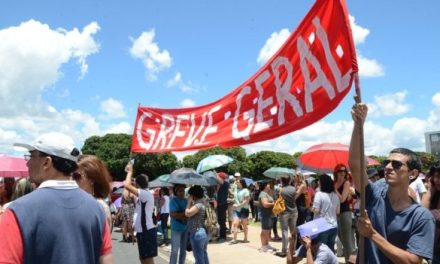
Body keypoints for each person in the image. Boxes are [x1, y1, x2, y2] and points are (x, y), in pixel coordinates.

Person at [0, 132, 112, 264]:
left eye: (31, 156)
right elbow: (106, 259)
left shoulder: (17, 210)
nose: (27, 163)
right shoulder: (96, 209)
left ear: (47, 162)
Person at [349, 103, 435, 263]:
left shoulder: (421, 217)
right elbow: (355, 165)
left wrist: (372, 234)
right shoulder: (374, 197)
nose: (388, 167)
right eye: (386, 162)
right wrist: (358, 124)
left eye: (396, 164)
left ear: (413, 174)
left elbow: (412, 261)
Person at [124, 162, 157, 264]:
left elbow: (126, 185)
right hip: (142, 231)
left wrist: (130, 172)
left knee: (147, 260)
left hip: (146, 231)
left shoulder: (145, 194)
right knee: (143, 259)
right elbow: (126, 195)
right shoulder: (143, 194)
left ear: (137, 184)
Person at [74, 155, 113, 229]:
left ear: (92, 179)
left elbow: (103, 239)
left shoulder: (101, 207)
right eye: (70, 175)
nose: (72, 180)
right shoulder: (71, 203)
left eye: (76, 176)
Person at [333, 164, 356, 262]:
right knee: (341, 238)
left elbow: (342, 199)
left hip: (345, 213)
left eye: (344, 171)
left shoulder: (346, 183)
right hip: (336, 214)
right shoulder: (334, 183)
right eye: (340, 171)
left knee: (347, 241)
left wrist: (334, 190)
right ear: (336, 172)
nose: (343, 173)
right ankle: (349, 260)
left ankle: (350, 261)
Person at [312, 174, 339, 252]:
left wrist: (312, 208)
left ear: (322, 183)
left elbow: (316, 210)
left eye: (319, 181)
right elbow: (338, 211)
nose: (318, 183)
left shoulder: (319, 194)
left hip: (322, 226)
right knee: (330, 250)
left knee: (321, 250)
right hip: (333, 225)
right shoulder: (336, 195)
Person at [185, 185, 209, 264]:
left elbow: (187, 213)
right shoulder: (205, 202)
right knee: (203, 254)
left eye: (190, 195)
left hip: (197, 232)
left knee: (199, 258)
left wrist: (188, 202)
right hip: (204, 232)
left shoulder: (198, 205)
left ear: (193, 195)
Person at [421, 161, 440, 263]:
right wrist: (429, 191)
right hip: (433, 252)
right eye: (436, 176)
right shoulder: (435, 194)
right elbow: (421, 216)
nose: (438, 180)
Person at [275, 175, 298, 258]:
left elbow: (277, 199)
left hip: (284, 212)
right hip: (294, 211)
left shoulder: (281, 190)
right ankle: (294, 250)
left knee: (284, 231)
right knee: (293, 231)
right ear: (289, 181)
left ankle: (284, 250)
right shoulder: (294, 189)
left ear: (282, 181)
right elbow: (295, 198)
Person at [169, 184, 188, 264]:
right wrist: (184, 214)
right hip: (176, 229)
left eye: (183, 190)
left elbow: (189, 213)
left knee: (183, 251)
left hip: (185, 228)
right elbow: (173, 214)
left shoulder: (186, 200)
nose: (182, 192)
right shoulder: (173, 200)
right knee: (175, 250)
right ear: (176, 192)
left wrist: (183, 214)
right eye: (180, 191)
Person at [258, 180, 277, 253]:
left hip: (269, 215)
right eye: (268, 184)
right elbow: (265, 204)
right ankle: (263, 246)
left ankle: (266, 244)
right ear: (265, 185)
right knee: (264, 231)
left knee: (267, 230)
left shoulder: (266, 193)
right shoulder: (263, 194)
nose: (270, 185)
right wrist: (274, 203)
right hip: (265, 215)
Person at [230, 179, 250, 244]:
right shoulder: (236, 190)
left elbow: (246, 201)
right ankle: (234, 239)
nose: (236, 183)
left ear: (241, 183)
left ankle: (245, 238)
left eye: (238, 182)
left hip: (244, 209)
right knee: (235, 224)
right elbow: (235, 198)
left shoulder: (246, 191)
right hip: (237, 209)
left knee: (244, 225)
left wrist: (238, 206)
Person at [216, 172, 230, 242]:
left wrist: (216, 174)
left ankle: (223, 236)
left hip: (222, 204)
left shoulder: (224, 183)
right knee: (220, 221)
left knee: (222, 221)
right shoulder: (221, 183)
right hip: (220, 204)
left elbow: (221, 182)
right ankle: (221, 235)